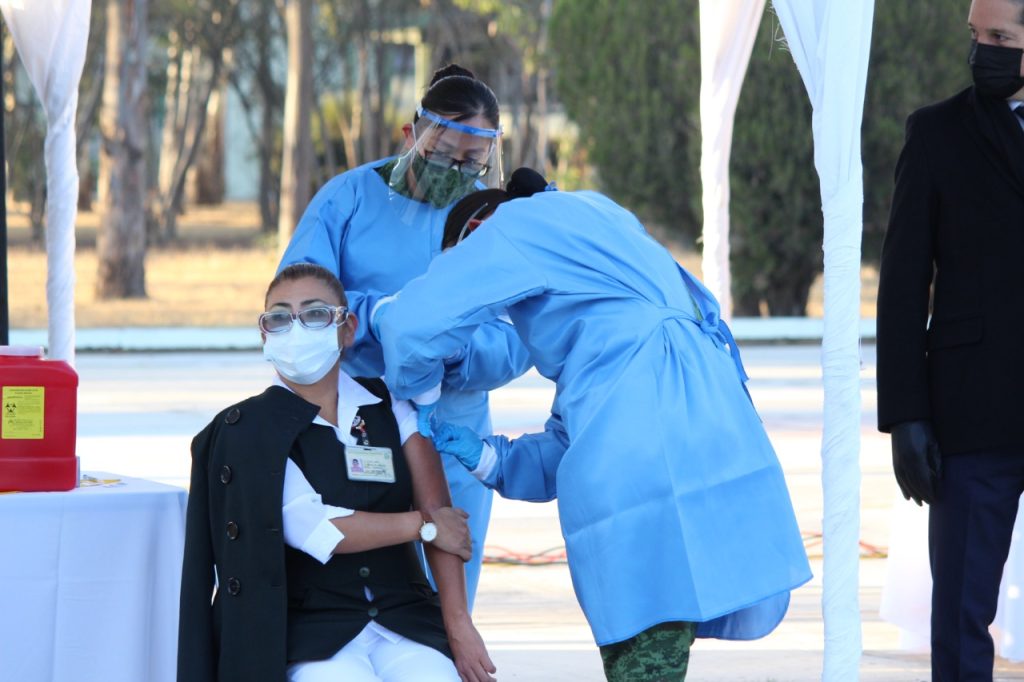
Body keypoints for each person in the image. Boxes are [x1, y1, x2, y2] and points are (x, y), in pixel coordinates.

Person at [372, 169, 813, 680]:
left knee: (646, 632)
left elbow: (411, 326)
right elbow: (578, 433)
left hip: (643, 460)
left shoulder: (509, 227)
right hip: (715, 427)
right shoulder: (603, 236)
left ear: (474, 236)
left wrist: (420, 388)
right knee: (669, 621)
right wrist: (489, 457)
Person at [279, 64, 531, 609]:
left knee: (448, 594)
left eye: (471, 162)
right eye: (441, 155)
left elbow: (518, 334)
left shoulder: (489, 221)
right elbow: (297, 300)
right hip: (358, 416)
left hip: (452, 428)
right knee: (365, 591)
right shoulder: (346, 200)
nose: (453, 172)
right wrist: (378, 318)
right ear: (410, 134)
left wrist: (457, 353)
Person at [177, 263, 496, 682]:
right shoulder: (245, 428)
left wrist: (459, 625)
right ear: (264, 336)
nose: (296, 329)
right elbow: (316, 528)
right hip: (311, 630)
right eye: (279, 318)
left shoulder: (391, 404)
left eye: (314, 314)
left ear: (347, 329)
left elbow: (442, 515)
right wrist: (422, 526)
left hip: (403, 618)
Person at [876, 0, 1024, 678]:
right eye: (975, 35)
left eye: (998, 37)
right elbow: (902, 284)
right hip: (969, 418)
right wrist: (905, 415)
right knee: (961, 617)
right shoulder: (936, 133)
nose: (979, 52)